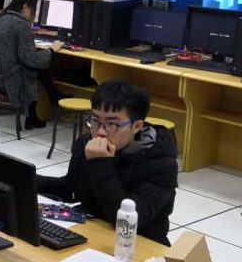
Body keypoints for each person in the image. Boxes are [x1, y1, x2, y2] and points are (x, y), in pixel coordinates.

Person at [37, 80, 177, 245]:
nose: (100, 132)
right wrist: (25, 178)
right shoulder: (86, 142)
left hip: (139, 242)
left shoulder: (161, 163)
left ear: (137, 126)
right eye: (95, 121)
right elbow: (70, 189)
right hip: (93, 229)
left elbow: (126, 222)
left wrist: (100, 163)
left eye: (112, 124)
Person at [0, 0, 64, 129]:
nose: (33, 15)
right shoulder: (22, 25)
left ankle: (53, 98)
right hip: (6, 78)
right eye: (34, 10)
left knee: (36, 67)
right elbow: (31, 59)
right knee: (37, 68)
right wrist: (52, 50)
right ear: (25, 7)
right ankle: (35, 115)